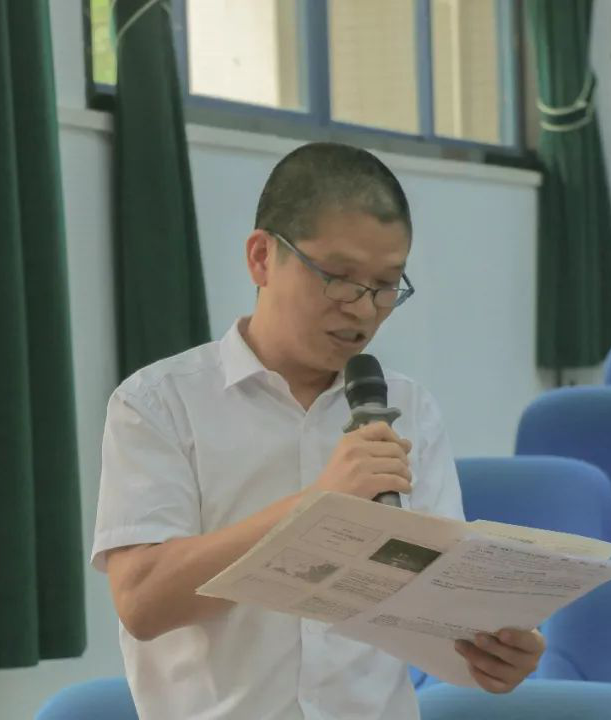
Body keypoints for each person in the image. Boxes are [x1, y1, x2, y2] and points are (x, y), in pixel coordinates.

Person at [91, 142, 544, 719]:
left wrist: (494, 652)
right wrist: (317, 507)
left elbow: (434, 610)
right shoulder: (159, 402)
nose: (363, 309)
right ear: (262, 257)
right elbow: (143, 601)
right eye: (340, 278)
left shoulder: (409, 408)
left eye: (386, 285)